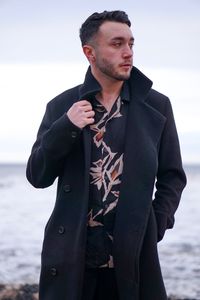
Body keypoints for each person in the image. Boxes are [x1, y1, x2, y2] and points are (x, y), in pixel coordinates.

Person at [26, 10, 186, 300]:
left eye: (131, 44)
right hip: (74, 261)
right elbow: (37, 176)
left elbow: (172, 176)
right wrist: (66, 126)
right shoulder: (62, 106)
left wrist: (156, 223)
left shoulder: (157, 107)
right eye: (116, 44)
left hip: (133, 257)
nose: (128, 53)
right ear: (90, 52)